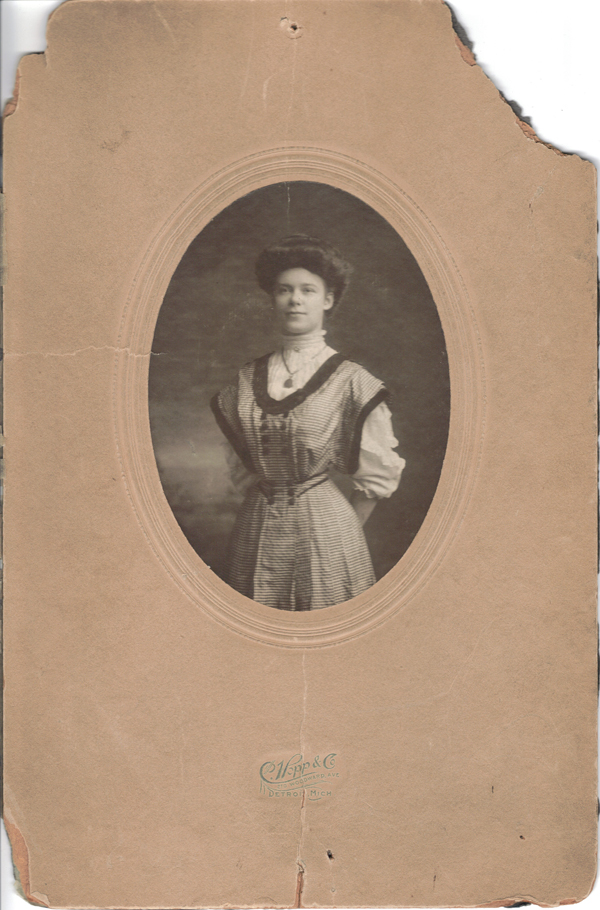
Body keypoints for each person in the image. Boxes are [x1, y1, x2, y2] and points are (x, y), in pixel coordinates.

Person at [211, 235, 405, 611]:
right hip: (255, 529)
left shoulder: (352, 381)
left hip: (327, 531)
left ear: (328, 300)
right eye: (284, 290)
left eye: (307, 290)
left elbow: (377, 477)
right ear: (272, 298)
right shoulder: (246, 378)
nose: (295, 299)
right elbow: (243, 470)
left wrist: (342, 535)